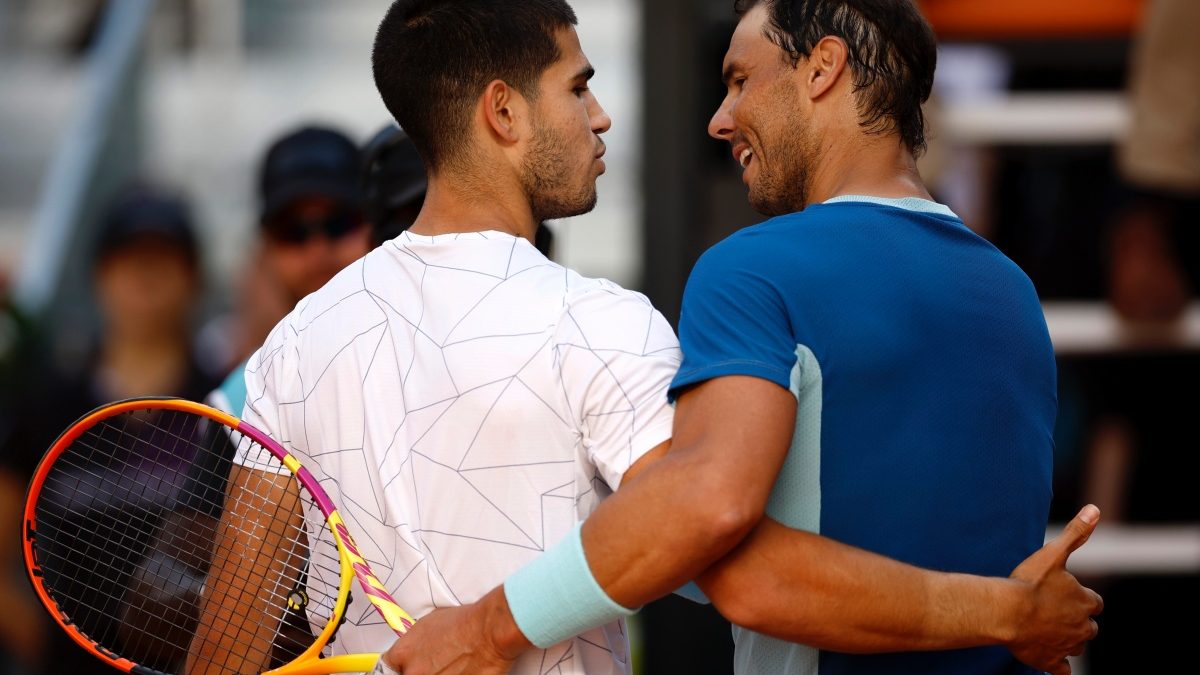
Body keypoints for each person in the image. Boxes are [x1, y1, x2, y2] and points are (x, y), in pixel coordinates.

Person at [190, 2, 1100, 675]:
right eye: (578, 86)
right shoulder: (609, 323)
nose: (603, 116)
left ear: (823, 71)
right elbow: (726, 554)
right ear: (504, 115)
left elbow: (223, 649)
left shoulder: (289, 346)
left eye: (739, 81)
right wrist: (1006, 612)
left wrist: (487, 626)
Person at [0, 184, 222, 675]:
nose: (144, 277)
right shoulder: (47, 404)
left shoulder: (224, 406)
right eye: (129, 259)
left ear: (193, 278)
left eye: (162, 259)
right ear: (101, 275)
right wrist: (42, 644)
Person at [208, 125, 373, 417]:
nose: (317, 250)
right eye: (293, 232)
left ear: (377, 225)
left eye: (340, 223)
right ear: (265, 249)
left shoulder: (432, 360)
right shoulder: (239, 403)